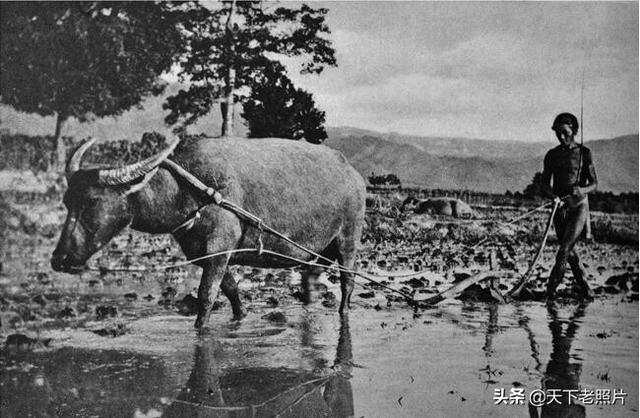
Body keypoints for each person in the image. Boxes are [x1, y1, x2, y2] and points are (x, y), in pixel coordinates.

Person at [540, 112, 597, 299]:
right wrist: (553, 196)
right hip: (559, 208)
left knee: (564, 249)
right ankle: (586, 288)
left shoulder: (584, 154)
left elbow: (594, 184)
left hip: (579, 208)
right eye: (558, 133)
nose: (561, 137)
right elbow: (544, 184)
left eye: (565, 132)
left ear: (574, 131)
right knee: (569, 251)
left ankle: (549, 293)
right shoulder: (551, 155)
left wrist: (582, 190)